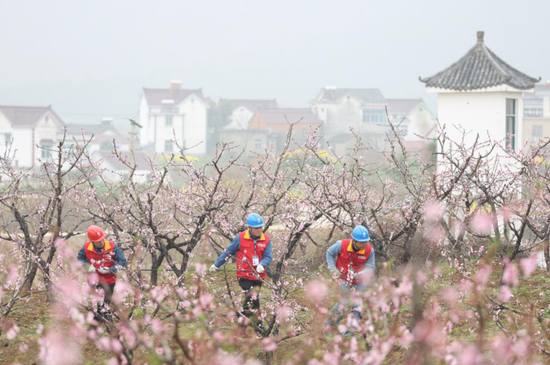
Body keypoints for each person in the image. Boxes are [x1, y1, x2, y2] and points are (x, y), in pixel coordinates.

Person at [209, 213, 273, 332]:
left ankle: (246, 324)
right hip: (244, 275)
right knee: (252, 298)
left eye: (261, 227)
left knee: (253, 300)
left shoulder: (266, 240)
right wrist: (216, 264)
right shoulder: (240, 238)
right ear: (249, 228)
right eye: (256, 228)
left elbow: (268, 256)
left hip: (259, 276)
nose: (259, 230)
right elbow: (228, 252)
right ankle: (257, 327)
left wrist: (262, 265)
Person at [325, 225, 375, 336]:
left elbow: (371, 267)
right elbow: (329, 253)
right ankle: (329, 327)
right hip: (343, 278)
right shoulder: (341, 245)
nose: (364, 244)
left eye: (366, 242)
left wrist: (362, 273)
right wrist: (333, 269)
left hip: (360, 281)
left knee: (358, 306)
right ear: (354, 241)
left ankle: (349, 334)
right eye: (361, 242)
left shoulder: (369, 251)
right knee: (344, 302)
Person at [77, 225, 127, 321]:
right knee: (96, 298)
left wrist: (110, 269)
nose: (101, 242)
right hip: (93, 279)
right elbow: (80, 259)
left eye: (102, 239)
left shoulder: (112, 246)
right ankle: (98, 315)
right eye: (98, 241)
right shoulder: (86, 248)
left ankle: (106, 314)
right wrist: (87, 266)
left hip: (109, 280)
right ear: (92, 241)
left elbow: (122, 261)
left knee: (107, 298)